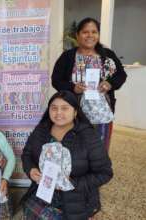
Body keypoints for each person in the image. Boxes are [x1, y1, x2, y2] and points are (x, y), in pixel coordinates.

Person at [21, 91, 113, 219]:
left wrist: (74, 182)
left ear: (75, 112)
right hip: (42, 192)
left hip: (75, 201)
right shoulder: (41, 130)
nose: (58, 113)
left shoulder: (88, 136)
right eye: (54, 108)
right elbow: (27, 154)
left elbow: (105, 173)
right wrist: (31, 170)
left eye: (64, 108)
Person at [51, 17, 127, 151]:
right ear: (78, 35)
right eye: (85, 32)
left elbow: (121, 75)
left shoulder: (107, 55)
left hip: (101, 114)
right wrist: (72, 88)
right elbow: (56, 80)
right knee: (75, 151)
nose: (90, 35)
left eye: (94, 32)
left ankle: (99, 172)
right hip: (73, 115)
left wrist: (109, 84)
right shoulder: (68, 56)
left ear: (98, 34)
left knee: (99, 151)